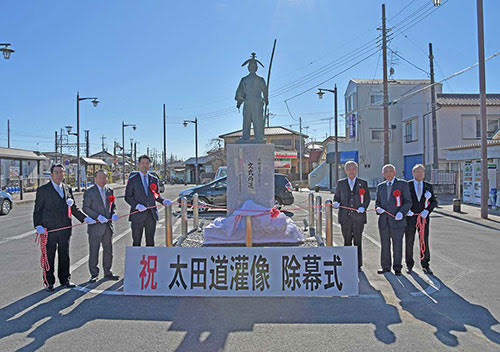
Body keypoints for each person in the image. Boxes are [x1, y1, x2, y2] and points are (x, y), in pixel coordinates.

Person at [33, 164, 95, 291]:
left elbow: (73, 208)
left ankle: (65, 279)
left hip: (65, 228)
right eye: (57, 172)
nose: (60, 175)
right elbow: (37, 211)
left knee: (64, 255)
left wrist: (84, 218)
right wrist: (38, 225)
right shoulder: (43, 190)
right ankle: (49, 281)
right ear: (51, 174)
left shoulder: (67, 188)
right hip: (49, 229)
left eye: (62, 172)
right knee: (49, 256)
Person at [83, 169, 120, 282]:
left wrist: (114, 213)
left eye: (104, 177)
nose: (102, 180)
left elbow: (112, 206)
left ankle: (107, 272)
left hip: (108, 226)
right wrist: (97, 217)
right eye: (100, 177)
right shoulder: (89, 191)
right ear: (95, 179)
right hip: (95, 227)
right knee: (94, 250)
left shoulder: (110, 190)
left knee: (108, 250)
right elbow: (86, 208)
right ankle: (94, 274)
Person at [125, 155, 171, 246]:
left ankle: (149, 260)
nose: (145, 165)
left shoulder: (154, 179)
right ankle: (137, 260)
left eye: (147, 163)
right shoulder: (133, 179)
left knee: (150, 241)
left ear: (150, 165)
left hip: (151, 215)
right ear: (138, 164)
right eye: (142, 163)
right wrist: (137, 205)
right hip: (137, 215)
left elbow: (156, 195)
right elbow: (128, 197)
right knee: (136, 241)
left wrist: (163, 201)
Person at [333, 161, 371, 271]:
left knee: (358, 241)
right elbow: (337, 197)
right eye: (349, 169)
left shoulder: (363, 183)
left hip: (359, 218)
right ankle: (348, 262)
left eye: (353, 169)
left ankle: (358, 264)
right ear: (345, 171)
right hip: (345, 218)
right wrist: (335, 203)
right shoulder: (341, 183)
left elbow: (367, 198)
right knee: (347, 240)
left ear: (357, 170)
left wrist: (363, 206)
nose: (351, 171)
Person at [375, 164, 412, 276]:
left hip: (398, 220)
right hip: (384, 221)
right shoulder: (380, 186)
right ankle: (385, 267)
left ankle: (397, 267)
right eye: (386, 171)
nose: (388, 173)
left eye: (391, 171)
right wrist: (378, 209)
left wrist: (402, 212)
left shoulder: (402, 184)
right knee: (385, 245)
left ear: (395, 172)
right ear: (383, 174)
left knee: (397, 245)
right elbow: (377, 202)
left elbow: (408, 201)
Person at [404, 164, 438, 274]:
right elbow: (403, 200)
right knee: (409, 241)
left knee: (424, 241)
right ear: (413, 173)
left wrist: (427, 210)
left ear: (424, 174)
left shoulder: (428, 186)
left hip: (423, 219)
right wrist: (406, 210)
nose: (419, 174)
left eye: (421, 172)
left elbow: (434, 201)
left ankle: (425, 264)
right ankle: (409, 264)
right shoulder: (407, 185)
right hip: (410, 218)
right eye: (417, 172)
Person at [235, 52, 269, 142]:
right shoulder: (245, 80)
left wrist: (266, 99)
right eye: (251, 66)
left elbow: (265, 92)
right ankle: (251, 137)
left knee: (256, 120)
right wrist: (266, 99)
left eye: (254, 66)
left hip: (255, 102)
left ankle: (257, 137)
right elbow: (240, 93)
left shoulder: (259, 80)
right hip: (251, 102)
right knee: (249, 120)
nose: (252, 68)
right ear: (249, 68)